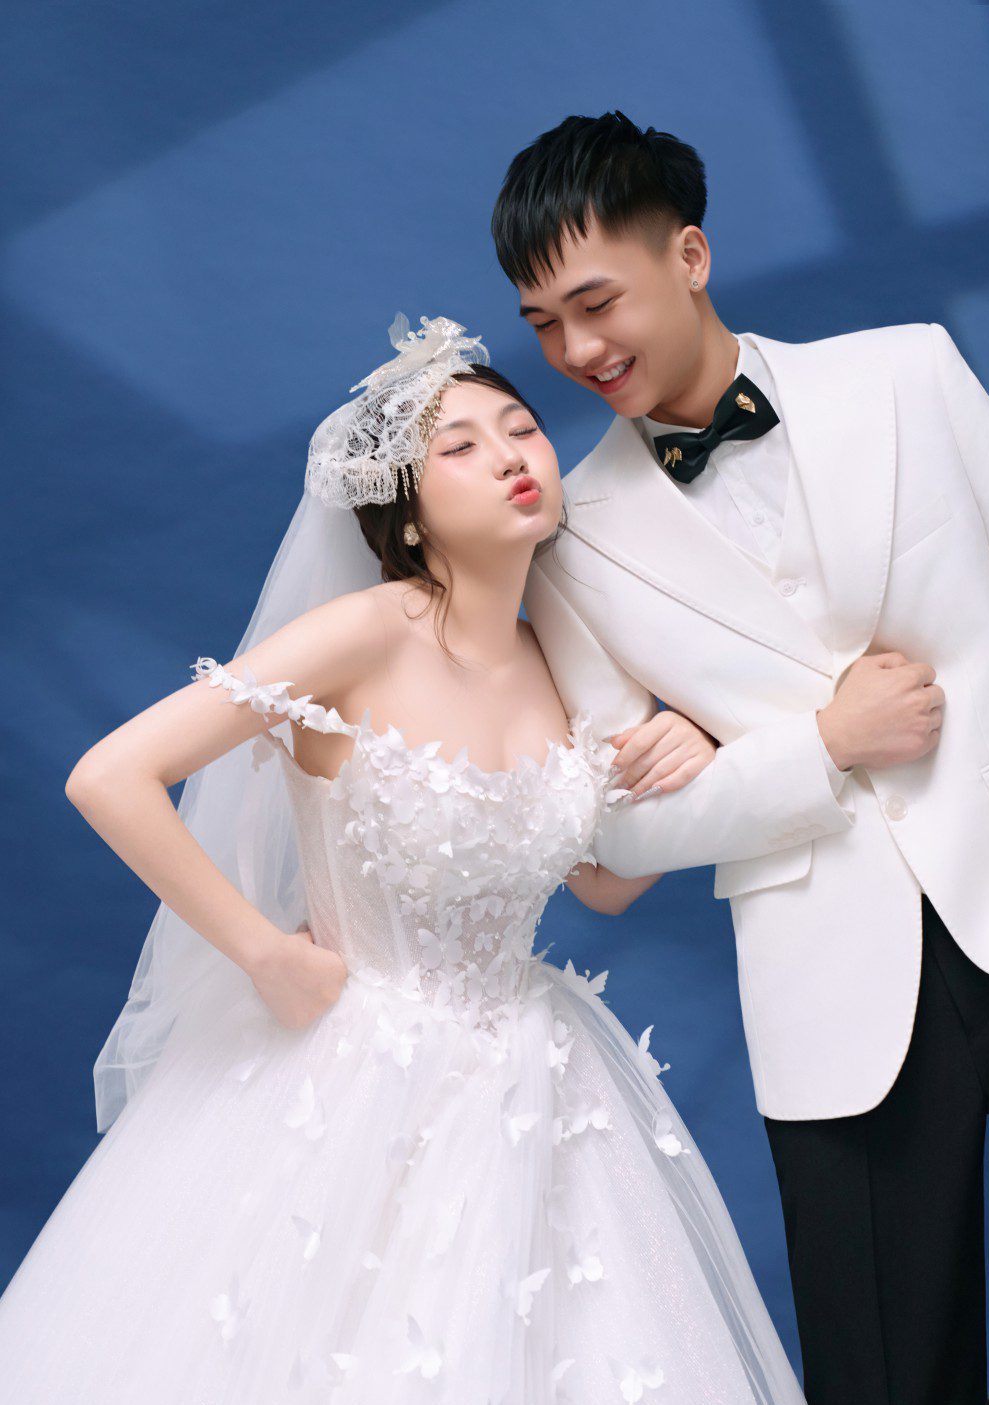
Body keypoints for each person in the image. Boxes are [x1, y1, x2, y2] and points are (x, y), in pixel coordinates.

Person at [496, 111, 989, 1404]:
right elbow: (616, 834)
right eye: (541, 326)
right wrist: (819, 747)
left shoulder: (908, 373)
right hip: (831, 985)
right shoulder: (574, 541)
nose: (576, 351)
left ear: (688, 255)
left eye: (594, 304)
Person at [0, 314, 839, 1402]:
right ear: (406, 506)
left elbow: (605, 882)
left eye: (522, 429)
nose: (510, 456)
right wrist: (265, 954)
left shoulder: (563, 656)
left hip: (534, 1079)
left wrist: (702, 746)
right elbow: (110, 775)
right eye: (461, 446)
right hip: (349, 1069)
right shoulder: (365, 631)